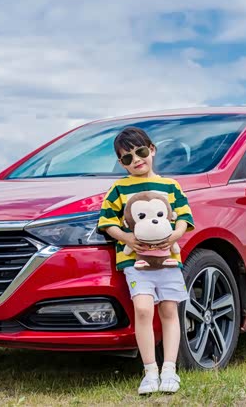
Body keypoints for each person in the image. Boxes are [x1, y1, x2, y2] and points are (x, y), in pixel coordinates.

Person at [97, 126, 194, 395]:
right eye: (127, 158)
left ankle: (169, 369)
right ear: (121, 163)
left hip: (168, 259)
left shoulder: (171, 186)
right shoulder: (118, 188)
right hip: (135, 261)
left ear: (152, 149)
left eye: (140, 152)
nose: (136, 160)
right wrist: (126, 239)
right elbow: (106, 221)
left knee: (170, 310)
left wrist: (175, 235)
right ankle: (150, 371)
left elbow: (185, 217)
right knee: (142, 309)